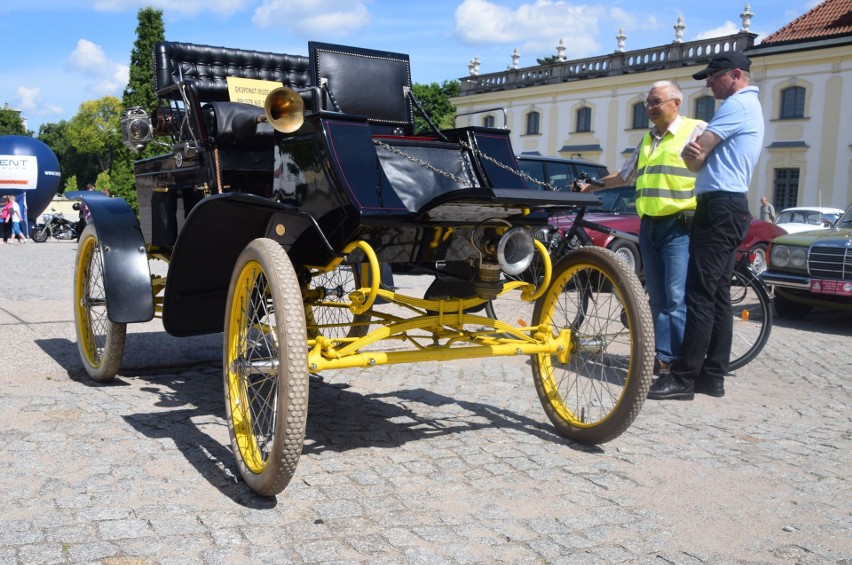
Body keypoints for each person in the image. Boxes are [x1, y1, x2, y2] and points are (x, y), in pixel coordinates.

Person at [648, 51, 764, 400]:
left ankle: (683, 379)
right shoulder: (747, 106)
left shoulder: (736, 106)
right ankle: (712, 376)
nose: (709, 82)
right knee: (715, 295)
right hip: (729, 204)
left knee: (698, 293)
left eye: (713, 76)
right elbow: (698, 157)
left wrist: (695, 153)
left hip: (718, 205)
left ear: (735, 75)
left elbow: (696, 152)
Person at [578, 80, 706, 378]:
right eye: (648, 102)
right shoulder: (649, 139)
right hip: (649, 226)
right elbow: (625, 175)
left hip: (679, 225)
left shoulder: (695, 129)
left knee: (675, 295)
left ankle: (672, 360)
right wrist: (591, 185)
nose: (649, 107)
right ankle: (662, 356)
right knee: (657, 296)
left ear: (676, 103)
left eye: (655, 102)